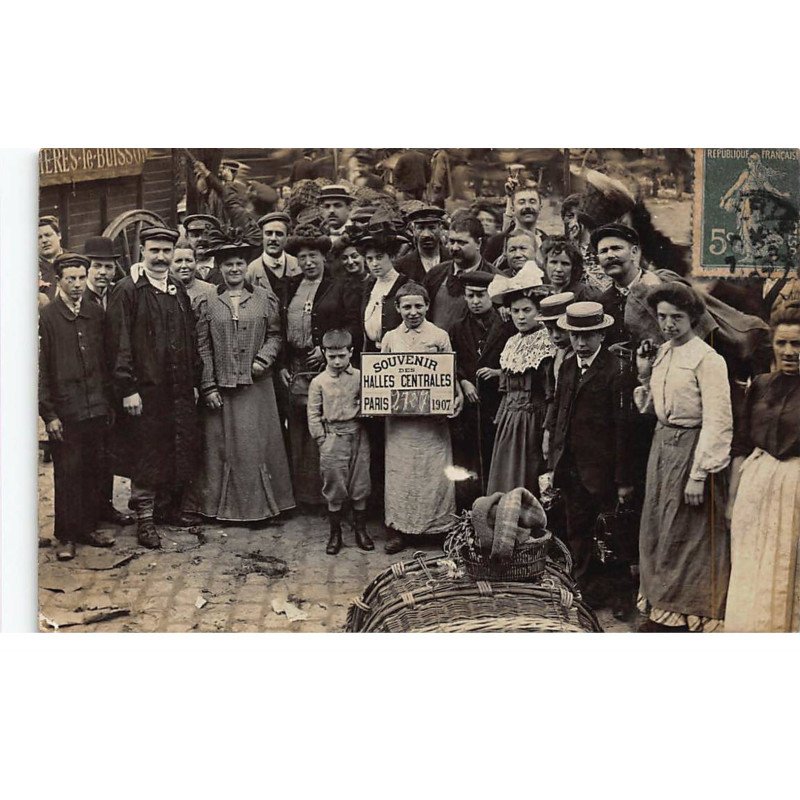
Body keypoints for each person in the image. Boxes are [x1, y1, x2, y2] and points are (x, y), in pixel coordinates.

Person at [634, 283, 733, 632]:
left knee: (688, 535)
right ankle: (662, 608)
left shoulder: (707, 359)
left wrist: (699, 474)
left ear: (692, 317)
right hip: (662, 448)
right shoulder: (663, 353)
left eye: (676, 317)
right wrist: (644, 373)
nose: (668, 324)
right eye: (662, 317)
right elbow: (655, 407)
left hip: (693, 450)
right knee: (659, 528)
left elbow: (718, 419)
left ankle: (690, 614)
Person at [185, 228, 294, 523]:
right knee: (220, 447)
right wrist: (208, 386)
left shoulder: (264, 298)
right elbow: (202, 346)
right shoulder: (207, 301)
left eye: (239, 264)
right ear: (219, 268)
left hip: (257, 386)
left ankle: (262, 508)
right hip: (221, 387)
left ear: (246, 266)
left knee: (254, 445)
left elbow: (275, 335)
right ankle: (216, 508)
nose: (234, 269)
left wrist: (263, 360)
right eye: (228, 264)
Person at [106, 226, 201, 548]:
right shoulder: (128, 291)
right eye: (154, 251)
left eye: (166, 251)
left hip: (176, 387)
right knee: (146, 450)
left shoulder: (177, 288)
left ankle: (166, 509)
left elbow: (189, 337)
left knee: (174, 445)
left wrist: (194, 381)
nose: (161, 257)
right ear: (143, 252)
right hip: (145, 389)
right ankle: (144, 518)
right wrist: (127, 388)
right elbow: (119, 343)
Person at [547, 301, 638, 586]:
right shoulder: (567, 367)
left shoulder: (617, 370)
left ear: (602, 335)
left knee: (610, 532)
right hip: (572, 466)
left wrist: (623, 479)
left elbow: (624, 429)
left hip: (603, 470)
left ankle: (615, 591)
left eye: (588, 336)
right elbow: (560, 412)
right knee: (577, 529)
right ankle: (582, 587)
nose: (581, 343)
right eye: (575, 336)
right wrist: (553, 459)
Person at [724, 303, 800, 631]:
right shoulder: (761, 384)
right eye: (782, 343)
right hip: (756, 487)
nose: (789, 351)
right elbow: (741, 445)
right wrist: (732, 501)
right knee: (753, 564)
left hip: (795, 489)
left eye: (797, 343)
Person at [39, 254, 115, 560]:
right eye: (70, 278)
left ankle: (88, 528)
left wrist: (106, 403)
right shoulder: (48, 317)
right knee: (68, 473)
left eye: (81, 277)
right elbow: (40, 371)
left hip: (95, 407)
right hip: (66, 412)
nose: (77, 284)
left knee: (93, 469)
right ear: (59, 280)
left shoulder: (95, 314)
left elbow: (105, 362)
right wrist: (49, 414)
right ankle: (67, 536)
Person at [279, 225, 361, 508]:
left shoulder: (340, 285)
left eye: (313, 256)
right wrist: (283, 363)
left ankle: (333, 496)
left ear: (324, 257)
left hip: (328, 367)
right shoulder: (290, 285)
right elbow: (281, 326)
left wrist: (327, 348)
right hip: (296, 366)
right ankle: (305, 496)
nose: (308, 262)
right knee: (300, 428)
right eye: (302, 257)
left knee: (326, 428)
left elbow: (354, 324)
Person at [380, 281, 464, 553]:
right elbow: (379, 376)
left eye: (418, 306)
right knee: (401, 473)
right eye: (407, 307)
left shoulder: (439, 336)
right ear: (397, 308)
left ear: (428, 306)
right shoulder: (390, 338)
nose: (413, 312)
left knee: (433, 473)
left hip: (431, 423)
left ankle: (438, 529)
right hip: (401, 423)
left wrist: (455, 396)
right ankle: (399, 529)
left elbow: (450, 372)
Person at [485, 263, 555, 496]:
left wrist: (547, 430)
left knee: (528, 478)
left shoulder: (546, 341)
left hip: (533, 422)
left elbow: (550, 392)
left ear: (539, 311)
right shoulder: (512, 342)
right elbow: (505, 388)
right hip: (509, 422)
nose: (521, 316)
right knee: (504, 476)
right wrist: (501, 421)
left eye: (527, 310)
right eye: (515, 311)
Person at [81, 237, 135, 528]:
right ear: (87, 269)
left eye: (108, 267)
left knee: (109, 448)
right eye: (97, 267)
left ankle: (106, 506)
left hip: (112, 385)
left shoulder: (116, 295)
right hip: (88, 388)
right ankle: (89, 511)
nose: (103, 272)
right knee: (89, 452)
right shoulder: (80, 298)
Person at [307, 329, 373, 554]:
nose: (337, 361)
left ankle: (360, 530)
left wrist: (366, 411)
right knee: (334, 485)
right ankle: (335, 534)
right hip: (333, 438)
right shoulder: (319, 382)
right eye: (332, 356)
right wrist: (321, 439)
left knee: (360, 483)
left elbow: (371, 400)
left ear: (351, 352)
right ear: (324, 353)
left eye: (342, 356)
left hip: (358, 436)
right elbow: (313, 413)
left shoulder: (360, 376)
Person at [450, 271, 515, 494]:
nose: (475, 301)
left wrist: (499, 373)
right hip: (469, 407)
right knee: (468, 458)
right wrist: (463, 381)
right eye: (470, 296)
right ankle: (470, 507)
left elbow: (518, 360)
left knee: (495, 455)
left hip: (497, 403)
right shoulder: (457, 328)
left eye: (481, 295)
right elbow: (452, 360)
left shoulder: (507, 325)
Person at [424, 215, 495, 334]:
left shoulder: (496, 278)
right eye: (451, 241)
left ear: (478, 243)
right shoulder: (435, 274)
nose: (455, 248)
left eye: (462, 242)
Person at [483, 184, 546, 265]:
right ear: (512, 209)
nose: (527, 206)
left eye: (532, 202)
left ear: (540, 207)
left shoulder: (547, 242)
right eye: (522, 202)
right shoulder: (497, 243)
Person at [245, 211, 300, 298]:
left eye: (279, 234)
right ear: (262, 236)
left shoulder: (298, 266)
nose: (273, 238)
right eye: (269, 233)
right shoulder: (251, 271)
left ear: (287, 237)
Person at [540, 236, 602, 303]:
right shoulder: (541, 294)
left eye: (565, 264)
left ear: (573, 267)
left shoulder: (586, 294)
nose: (558, 269)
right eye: (553, 262)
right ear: (546, 264)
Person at [396, 205, 448, 283]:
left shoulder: (453, 259)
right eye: (420, 228)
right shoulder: (401, 266)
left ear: (440, 229)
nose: (426, 234)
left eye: (432, 228)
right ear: (413, 230)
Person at [169, 237, 215, 311]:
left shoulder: (210, 291)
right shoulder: (162, 290)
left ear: (196, 263)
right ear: (170, 264)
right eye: (178, 261)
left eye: (188, 260)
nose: (184, 266)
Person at [38, 215, 64, 301]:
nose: (44, 240)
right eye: (39, 237)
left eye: (48, 235)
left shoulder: (75, 261)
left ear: (59, 235)